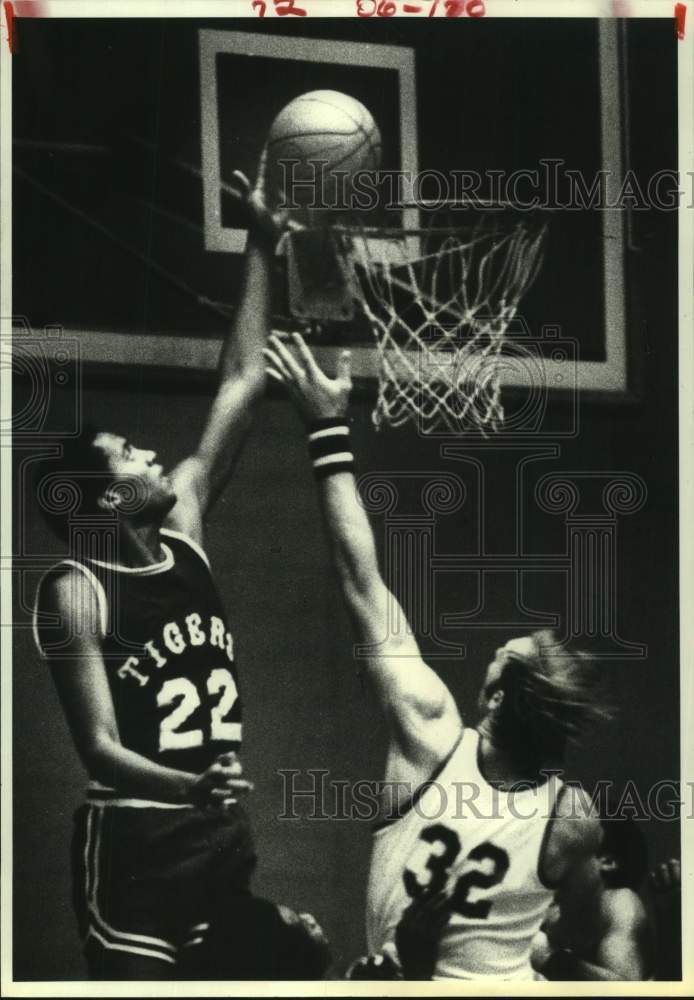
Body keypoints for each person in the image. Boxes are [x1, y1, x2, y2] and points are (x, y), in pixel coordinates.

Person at [265, 332, 611, 982]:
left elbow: (360, 579)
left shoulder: (430, 737)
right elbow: (586, 928)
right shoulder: (573, 818)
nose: (494, 648)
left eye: (501, 656)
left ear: (496, 697)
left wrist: (326, 429)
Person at [32, 170, 280, 979]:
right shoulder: (75, 589)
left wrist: (262, 241)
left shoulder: (185, 525)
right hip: (139, 838)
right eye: (130, 454)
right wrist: (189, 786)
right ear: (105, 499)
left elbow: (243, 379)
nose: (150, 452)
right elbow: (99, 749)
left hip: (215, 831)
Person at [531, 815, 653, 980]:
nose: (552, 856)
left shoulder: (620, 902)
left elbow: (625, 991)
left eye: (569, 849)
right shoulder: (552, 912)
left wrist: (545, 957)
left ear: (607, 862)